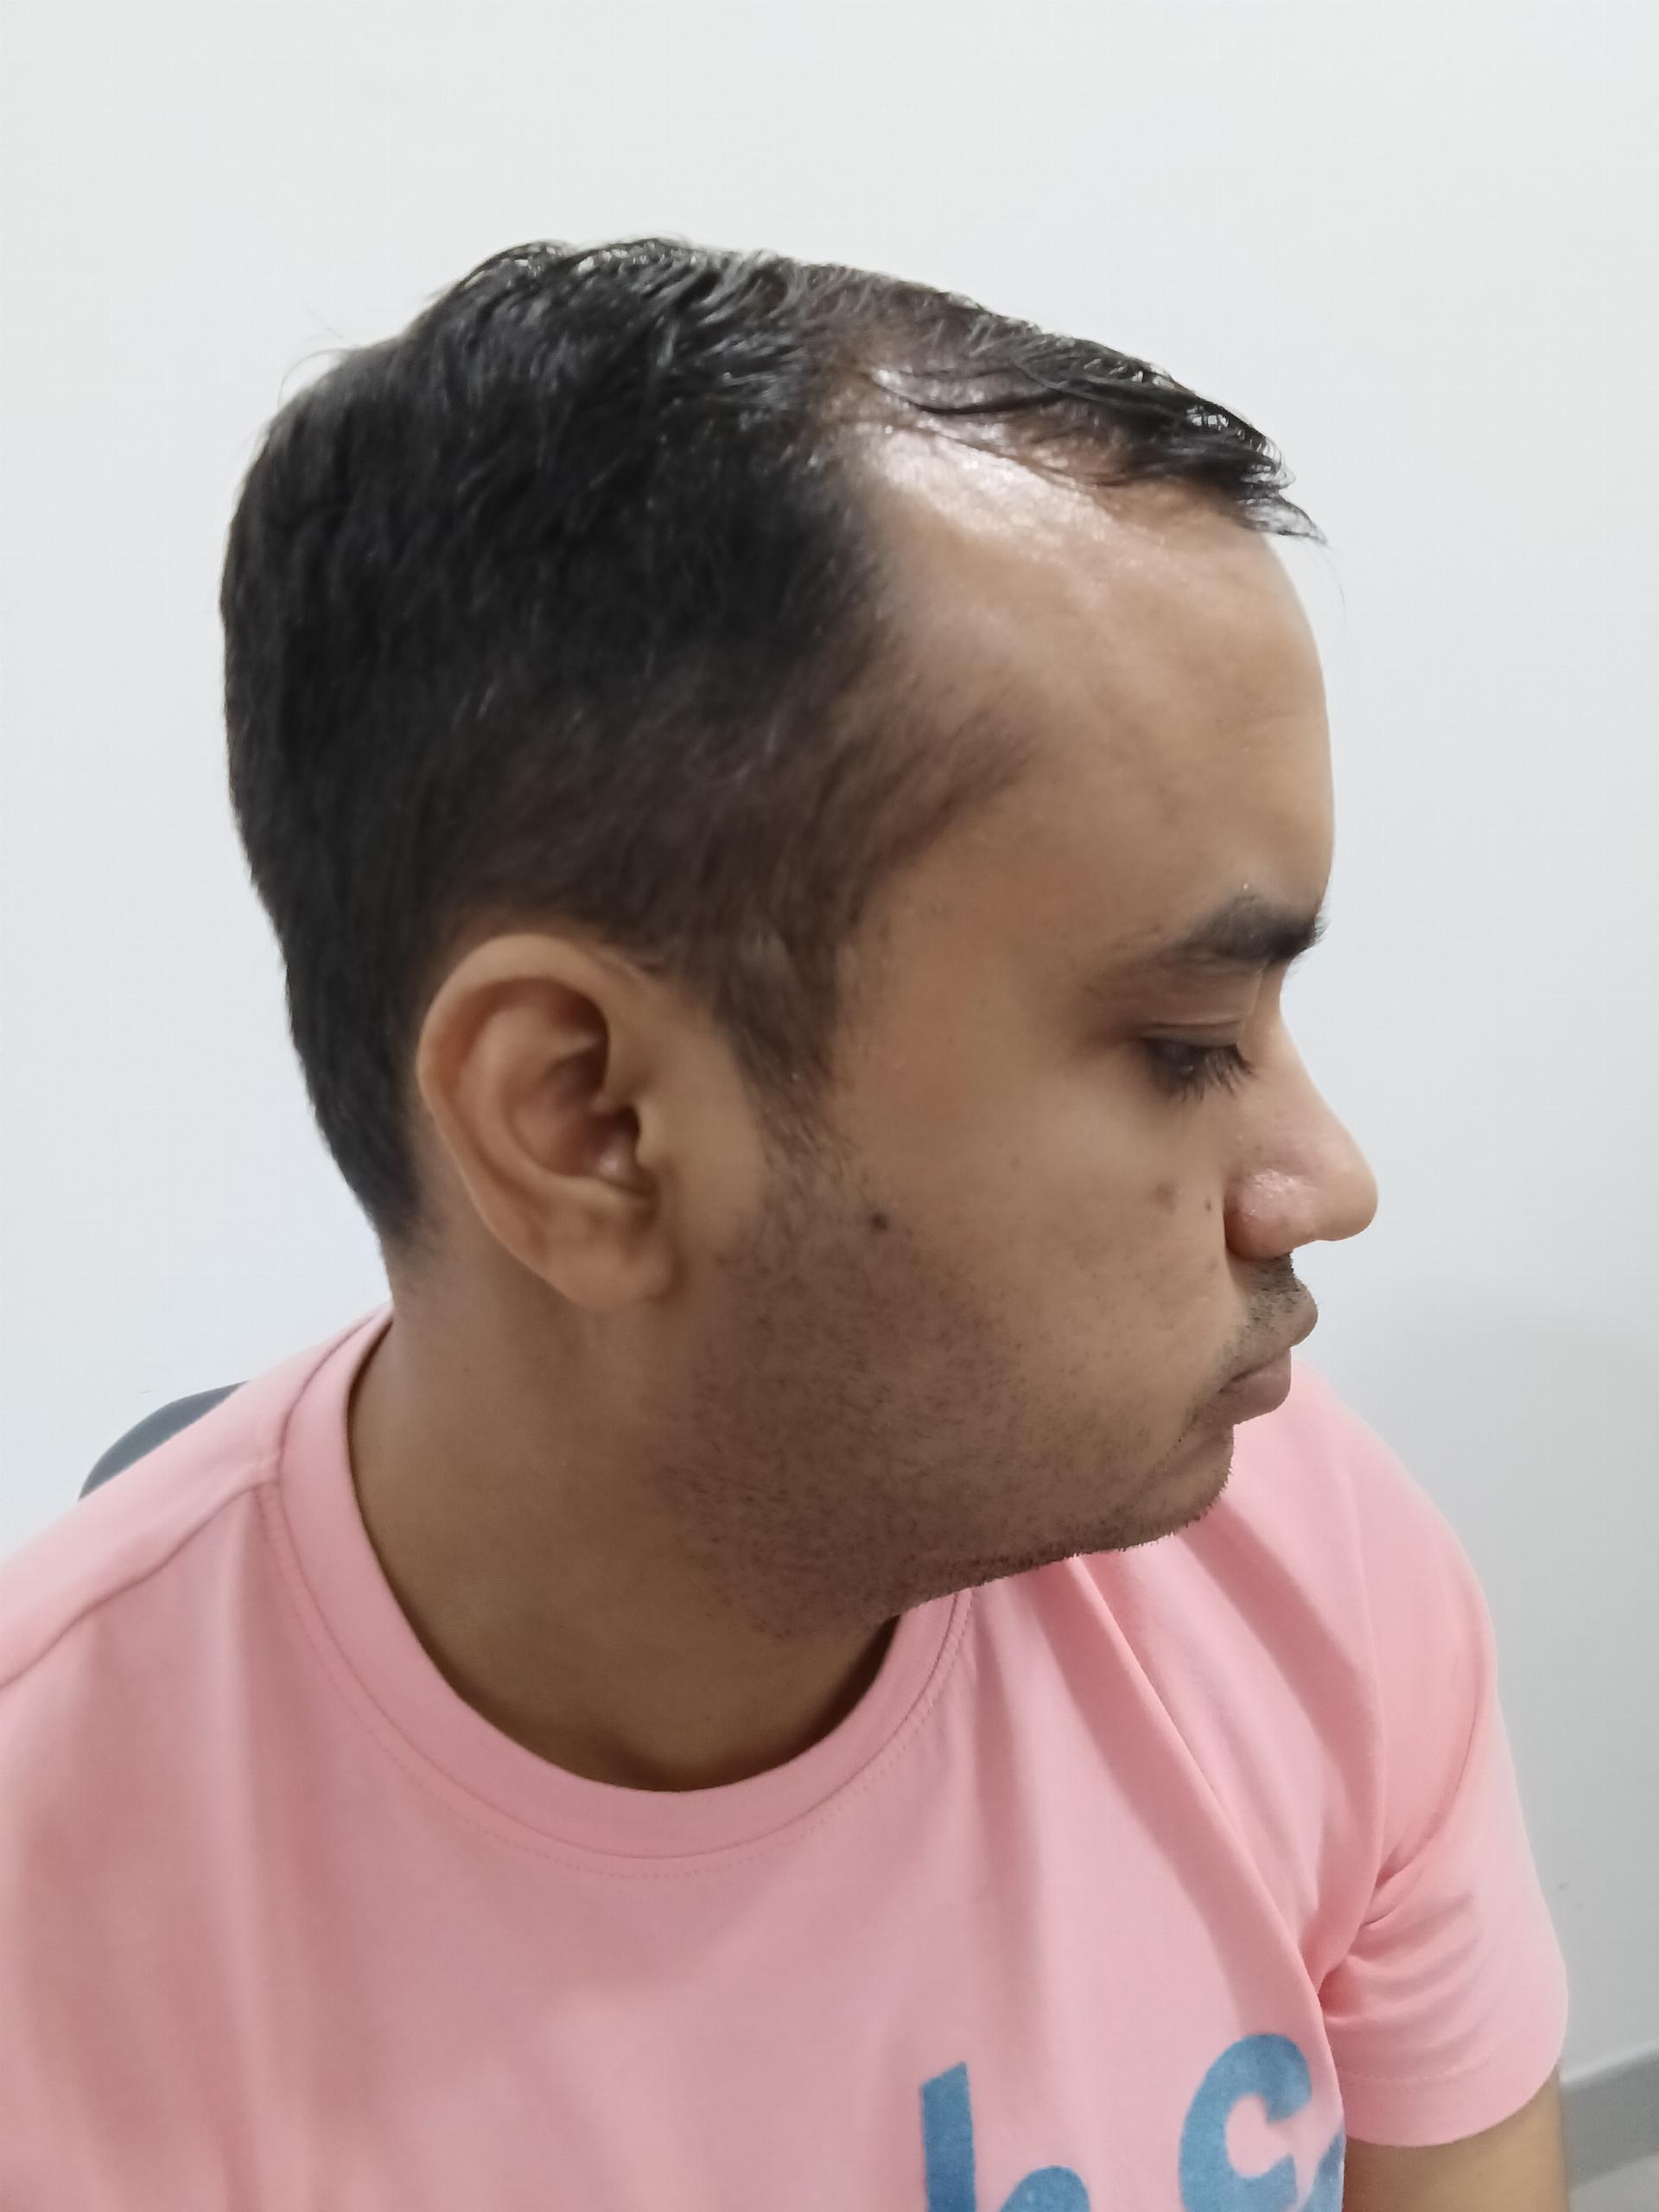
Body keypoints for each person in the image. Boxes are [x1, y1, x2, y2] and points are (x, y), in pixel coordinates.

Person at [0, 240, 1569, 2209]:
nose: (1325, 1179)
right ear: (587, 1120)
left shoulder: (1302, 1558)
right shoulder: (56, 1953)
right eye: (1184, 1046)